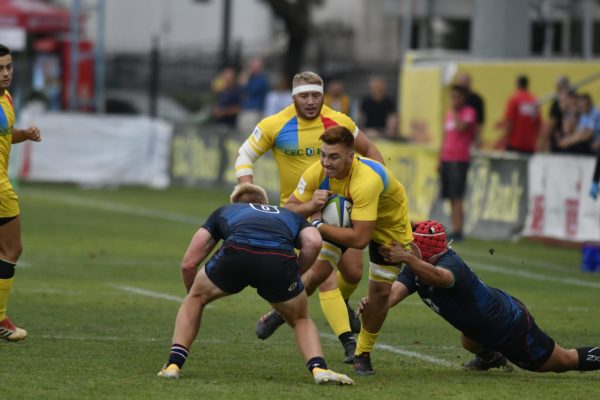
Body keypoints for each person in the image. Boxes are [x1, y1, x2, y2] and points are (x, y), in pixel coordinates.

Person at [235, 71, 384, 361]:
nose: (311, 101)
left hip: (340, 211)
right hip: (297, 212)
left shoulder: (340, 121)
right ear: (293, 97)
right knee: (325, 274)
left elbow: (371, 151)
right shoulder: (275, 124)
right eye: (305, 95)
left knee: (353, 272)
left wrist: (377, 181)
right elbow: (244, 155)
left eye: (316, 95)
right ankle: (349, 343)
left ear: (323, 95)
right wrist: (246, 188)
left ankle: (285, 312)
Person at [156, 183, 354, 386]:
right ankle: (319, 369)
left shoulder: (227, 210)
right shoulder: (286, 214)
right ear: (266, 204)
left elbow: (188, 264)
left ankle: (173, 365)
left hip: (236, 253)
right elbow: (314, 242)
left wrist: (195, 298)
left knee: (195, 300)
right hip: (278, 261)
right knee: (301, 319)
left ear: (235, 204)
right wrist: (294, 274)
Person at [370, 220, 600, 374]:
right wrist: (372, 304)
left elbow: (441, 278)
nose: (407, 250)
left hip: (511, 327)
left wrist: (408, 259)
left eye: (412, 247)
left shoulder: (450, 265)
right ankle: (491, 358)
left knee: (564, 361)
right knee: (468, 339)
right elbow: (391, 297)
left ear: (427, 250)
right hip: (484, 325)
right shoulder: (417, 267)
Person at [283, 126, 413, 375]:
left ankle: (363, 352)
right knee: (319, 270)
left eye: (333, 157)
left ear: (350, 157)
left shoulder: (366, 181)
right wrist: (311, 205)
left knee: (379, 294)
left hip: (387, 227)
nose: (326, 162)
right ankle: (281, 310)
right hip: (347, 219)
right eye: (323, 155)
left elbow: (360, 239)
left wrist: (317, 224)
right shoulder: (318, 170)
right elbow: (289, 209)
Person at [0, 44, 42, 341]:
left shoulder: (6, 99)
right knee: (11, 249)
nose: (5, 74)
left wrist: (24, 134)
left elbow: (5, 133)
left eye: (9, 67)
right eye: (0, 69)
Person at [439, 85, 477, 242]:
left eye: (457, 97)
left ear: (463, 98)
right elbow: (445, 138)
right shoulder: (448, 114)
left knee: (457, 196)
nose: (453, 100)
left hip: (459, 159)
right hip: (447, 159)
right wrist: (439, 159)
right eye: (452, 97)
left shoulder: (469, 113)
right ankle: (455, 227)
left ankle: (458, 230)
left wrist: (454, 111)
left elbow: (462, 128)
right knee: (450, 197)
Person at [497, 75, 542, 154]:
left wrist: (504, 139)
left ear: (517, 84)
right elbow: (538, 124)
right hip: (530, 144)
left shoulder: (514, 99)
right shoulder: (534, 101)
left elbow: (510, 122)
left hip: (514, 143)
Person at [537, 76, 570, 152]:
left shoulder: (557, 103)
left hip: (559, 142)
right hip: (569, 142)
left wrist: (541, 146)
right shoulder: (574, 100)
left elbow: (550, 125)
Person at [238, 58, 269, 134]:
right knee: (242, 132)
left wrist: (246, 77)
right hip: (245, 109)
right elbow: (240, 89)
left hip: (254, 110)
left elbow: (251, 90)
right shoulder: (250, 78)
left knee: (252, 133)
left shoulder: (261, 79)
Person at [455, 73, 485, 148]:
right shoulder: (455, 101)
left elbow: (479, 122)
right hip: (457, 138)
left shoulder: (476, 100)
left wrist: (478, 139)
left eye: (464, 83)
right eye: (461, 83)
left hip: (470, 137)